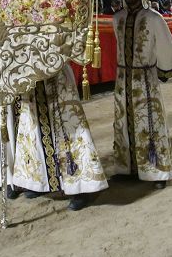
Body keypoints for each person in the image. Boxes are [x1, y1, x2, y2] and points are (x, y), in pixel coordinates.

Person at [111, 0, 172, 189]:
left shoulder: (153, 18)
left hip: (144, 78)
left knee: (149, 122)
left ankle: (156, 170)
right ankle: (126, 167)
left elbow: (167, 45)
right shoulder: (117, 19)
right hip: (123, 79)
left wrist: (164, 69)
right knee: (123, 122)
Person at [10, 64, 108, 210]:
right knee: (32, 125)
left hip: (55, 71)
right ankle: (40, 181)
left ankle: (82, 187)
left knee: (68, 126)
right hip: (28, 73)